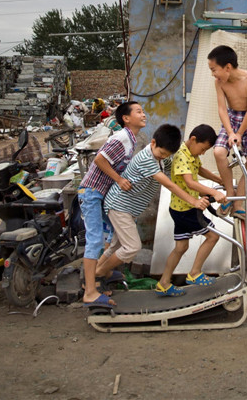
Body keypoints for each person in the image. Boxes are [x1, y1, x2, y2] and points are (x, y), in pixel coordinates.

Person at [94, 124, 206, 287]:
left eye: (166, 155)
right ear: (153, 143)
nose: (163, 158)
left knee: (116, 245)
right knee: (132, 247)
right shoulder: (147, 158)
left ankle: (93, 277)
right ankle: (99, 273)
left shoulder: (161, 157)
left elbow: (178, 169)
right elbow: (170, 185)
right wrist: (194, 201)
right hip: (119, 205)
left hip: (127, 208)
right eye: (161, 154)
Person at [79, 101, 146, 308]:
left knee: (117, 231)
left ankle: (102, 274)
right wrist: (119, 179)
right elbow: (99, 160)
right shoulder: (122, 137)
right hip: (91, 192)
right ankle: (89, 291)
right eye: (139, 111)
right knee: (94, 240)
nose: (144, 114)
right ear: (126, 118)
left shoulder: (131, 139)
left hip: (101, 194)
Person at [155, 125, 228, 296]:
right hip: (186, 210)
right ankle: (195, 273)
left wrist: (219, 179)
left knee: (181, 247)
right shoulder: (181, 155)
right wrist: (214, 192)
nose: (202, 153)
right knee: (212, 236)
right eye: (202, 149)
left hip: (179, 208)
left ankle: (164, 283)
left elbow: (199, 169)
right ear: (193, 139)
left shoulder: (190, 153)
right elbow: (190, 183)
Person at [208, 45, 247, 217]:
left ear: (228, 67)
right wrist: (231, 132)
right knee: (219, 152)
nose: (213, 74)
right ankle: (230, 195)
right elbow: (222, 109)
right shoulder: (219, 83)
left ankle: (239, 202)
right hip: (231, 119)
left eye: (214, 69)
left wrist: (239, 133)